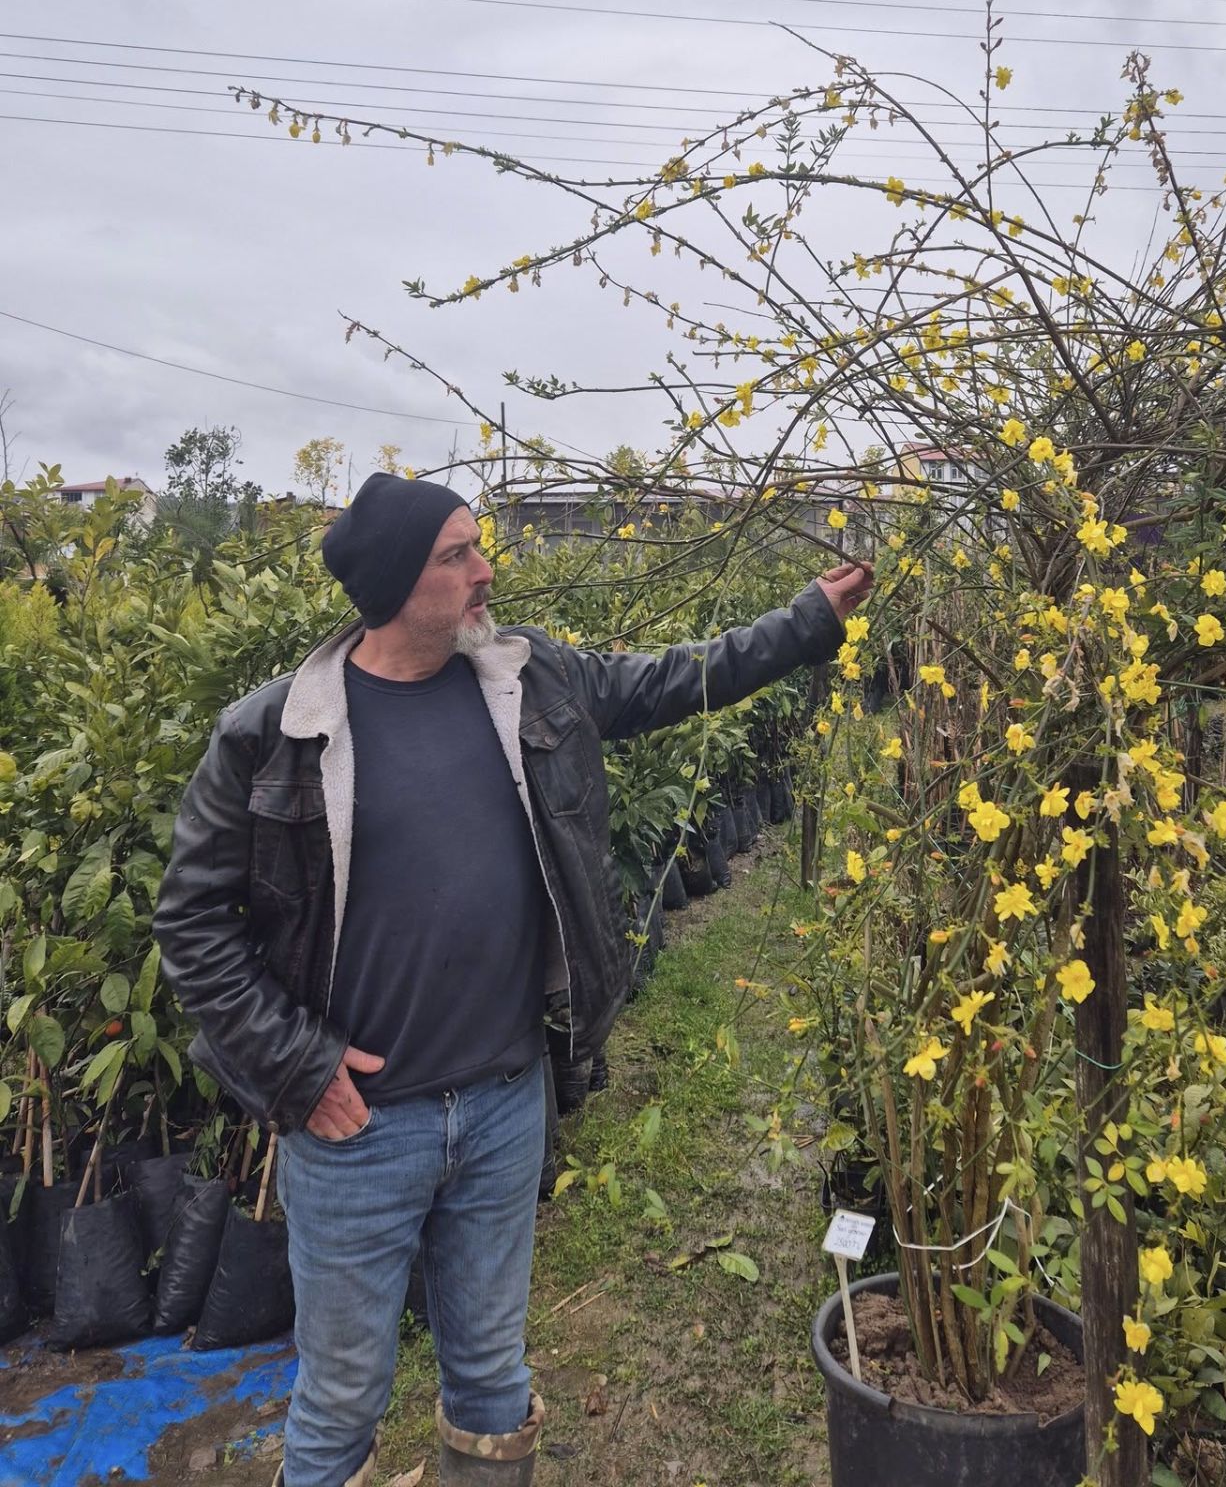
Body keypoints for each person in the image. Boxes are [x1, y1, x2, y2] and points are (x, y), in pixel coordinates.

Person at [154, 473, 872, 1487]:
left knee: (491, 1375)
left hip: (501, 1104)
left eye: (477, 546)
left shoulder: (527, 680)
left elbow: (674, 679)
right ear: (396, 582)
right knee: (341, 1397)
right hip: (358, 1130)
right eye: (457, 555)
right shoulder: (275, 735)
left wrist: (807, 621)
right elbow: (190, 922)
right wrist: (295, 1067)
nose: (485, 570)